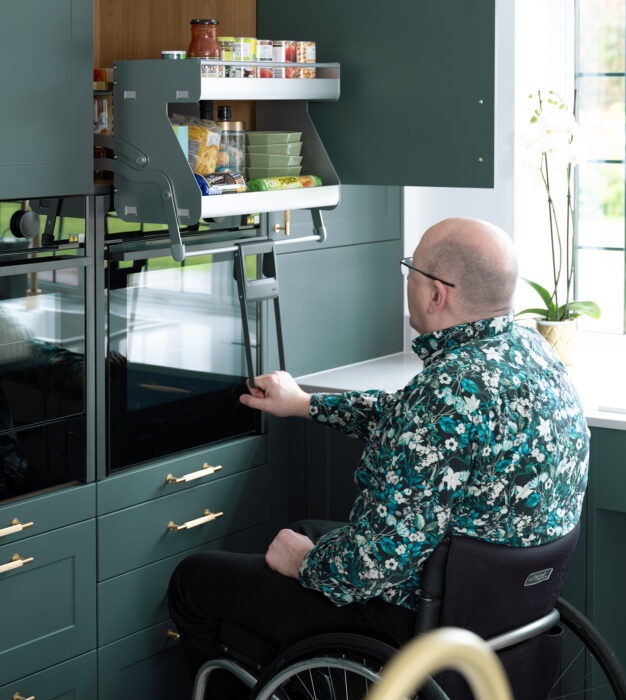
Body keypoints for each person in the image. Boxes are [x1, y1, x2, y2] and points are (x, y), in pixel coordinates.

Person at [167, 217, 590, 695]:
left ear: (436, 294)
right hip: (500, 612)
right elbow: (414, 420)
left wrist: (305, 563)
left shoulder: (448, 389)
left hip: (415, 623)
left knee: (196, 580)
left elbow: (371, 564)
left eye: (410, 268)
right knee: (306, 532)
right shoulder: (532, 351)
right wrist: (307, 403)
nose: (406, 278)